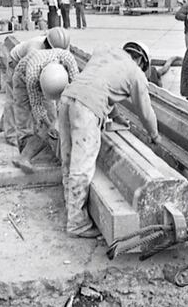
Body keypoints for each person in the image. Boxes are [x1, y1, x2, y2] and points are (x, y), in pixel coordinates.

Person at [57, 43, 160, 238]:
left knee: (69, 160)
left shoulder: (104, 52)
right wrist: (154, 136)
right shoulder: (135, 72)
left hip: (67, 98)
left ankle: (71, 211)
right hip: (87, 108)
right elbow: (145, 113)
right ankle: (76, 224)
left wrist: (118, 118)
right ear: (141, 61)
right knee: (82, 167)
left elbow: (101, 85)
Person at [0, 27, 71, 146]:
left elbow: (67, 84)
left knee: (47, 102)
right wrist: (48, 122)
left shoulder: (63, 49)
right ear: (48, 45)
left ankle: (3, 124)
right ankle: (12, 135)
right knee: (18, 101)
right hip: (17, 64)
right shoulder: (34, 51)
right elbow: (34, 97)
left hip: (39, 68)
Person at [10, 48, 79, 172]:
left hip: (50, 79)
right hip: (22, 77)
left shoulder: (69, 61)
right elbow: (37, 107)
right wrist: (50, 125)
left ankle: (52, 155)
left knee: (55, 122)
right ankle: (24, 157)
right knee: (28, 122)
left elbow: (76, 92)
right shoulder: (32, 77)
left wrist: (58, 120)